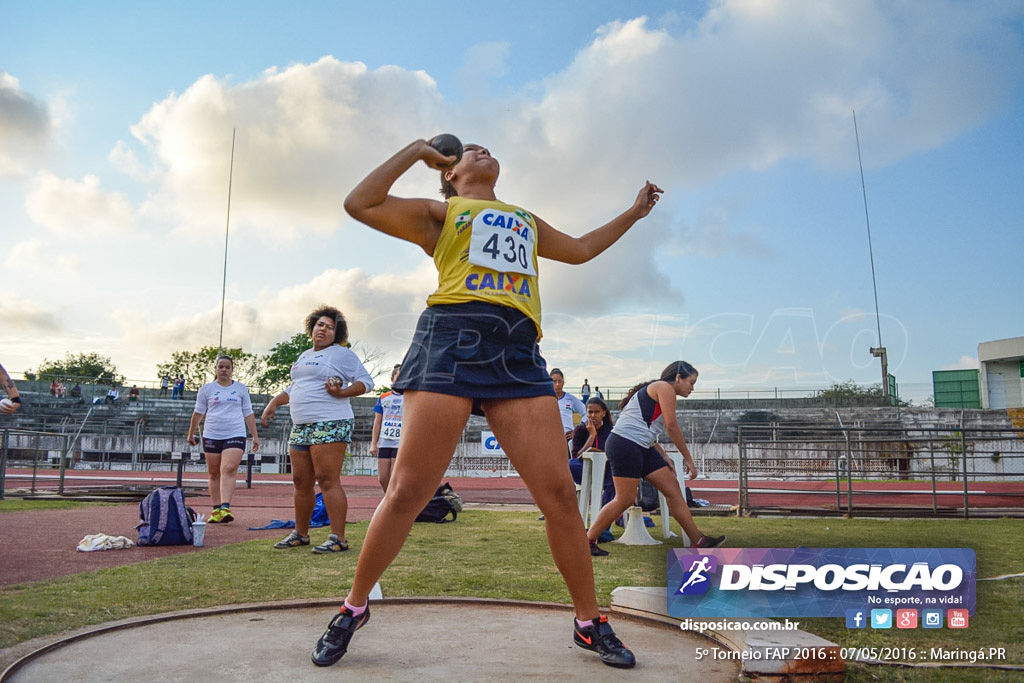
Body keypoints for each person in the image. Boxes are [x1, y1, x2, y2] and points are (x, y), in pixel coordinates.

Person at [314, 136, 662, 669]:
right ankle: (353, 607)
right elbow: (359, 203)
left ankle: (589, 623)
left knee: (560, 498)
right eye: (471, 150)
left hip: (517, 347)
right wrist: (416, 151)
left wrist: (634, 214)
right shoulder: (440, 213)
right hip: (451, 338)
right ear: (450, 174)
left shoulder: (522, 217)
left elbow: (581, 249)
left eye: (488, 148)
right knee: (407, 490)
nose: (483, 151)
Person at [261, 306, 373, 554]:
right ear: (312, 328)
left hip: (330, 421)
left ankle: (338, 538)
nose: (323, 329)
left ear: (337, 333)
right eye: (320, 324)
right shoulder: (303, 356)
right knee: (300, 481)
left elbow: (366, 382)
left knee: (327, 479)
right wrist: (274, 402)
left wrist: (342, 392)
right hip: (301, 424)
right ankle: (300, 534)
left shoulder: (341, 355)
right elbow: (294, 387)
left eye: (330, 327)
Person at [585, 361, 725, 557]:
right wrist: (689, 460)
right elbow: (671, 427)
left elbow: (647, 429)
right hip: (624, 444)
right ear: (678, 378)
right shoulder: (664, 388)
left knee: (673, 489)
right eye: (691, 382)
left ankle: (699, 540)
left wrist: (664, 456)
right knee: (624, 499)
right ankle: (587, 540)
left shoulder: (662, 391)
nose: (692, 387)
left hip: (642, 446)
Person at [187, 355, 260, 523]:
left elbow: (248, 413)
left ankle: (225, 507)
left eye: (227, 367)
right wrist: (190, 433)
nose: (224, 370)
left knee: (228, 468)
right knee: (213, 473)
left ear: (232, 369)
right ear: (216, 369)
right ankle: (216, 509)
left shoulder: (241, 389)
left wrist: (255, 435)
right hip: (212, 433)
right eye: (221, 366)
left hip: (235, 432)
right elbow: (198, 413)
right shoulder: (206, 389)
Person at [568, 397, 615, 543]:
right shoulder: (580, 430)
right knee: (569, 464)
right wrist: (592, 436)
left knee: (614, 482)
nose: (593, 416)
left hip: (606, 471)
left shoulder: (611, 431)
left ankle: (603, 531)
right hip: (585, 470)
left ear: (603, 413)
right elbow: (577, 455)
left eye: (596, 412)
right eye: (590, 412)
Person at [369, 364, 403, 493]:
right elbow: (377, 422)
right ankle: (388, 499)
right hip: (385, 441)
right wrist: (374, 443)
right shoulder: (384, 397)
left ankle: (392, 504)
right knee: (383, 478)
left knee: (395, 477)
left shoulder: (410, 397)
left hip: (400, 442)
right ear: (392, 379)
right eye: (398, 377)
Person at [551, 368, 586, 446]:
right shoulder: (546, 399)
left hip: (566, 439)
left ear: (563, 382)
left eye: (560, 381)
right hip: (550, 439)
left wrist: (577, 430)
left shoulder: (570, 399)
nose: (557, 384)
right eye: (554, 381)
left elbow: (586, 412)